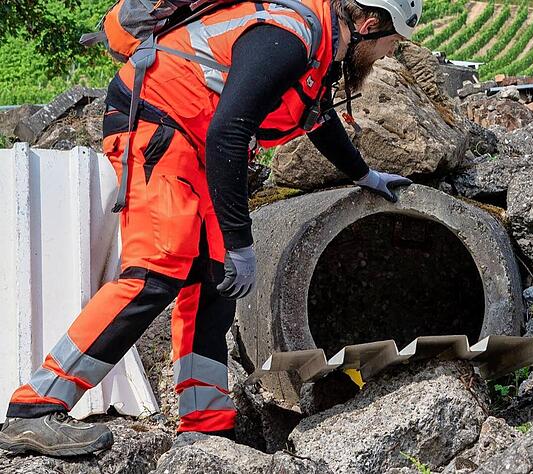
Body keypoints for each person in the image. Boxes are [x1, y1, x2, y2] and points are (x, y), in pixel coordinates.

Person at [0, 0, 420, 457]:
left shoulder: (318, 46)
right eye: (389, 42)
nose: (387, 54)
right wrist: (241, 241)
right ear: (368, 22)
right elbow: (230, 131)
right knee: (155, 273)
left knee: (217, 278)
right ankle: (35, 410)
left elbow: (315, 116)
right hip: (157, 123)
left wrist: (364, 175)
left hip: (199, 140)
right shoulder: (289, 38)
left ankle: (206, 423)